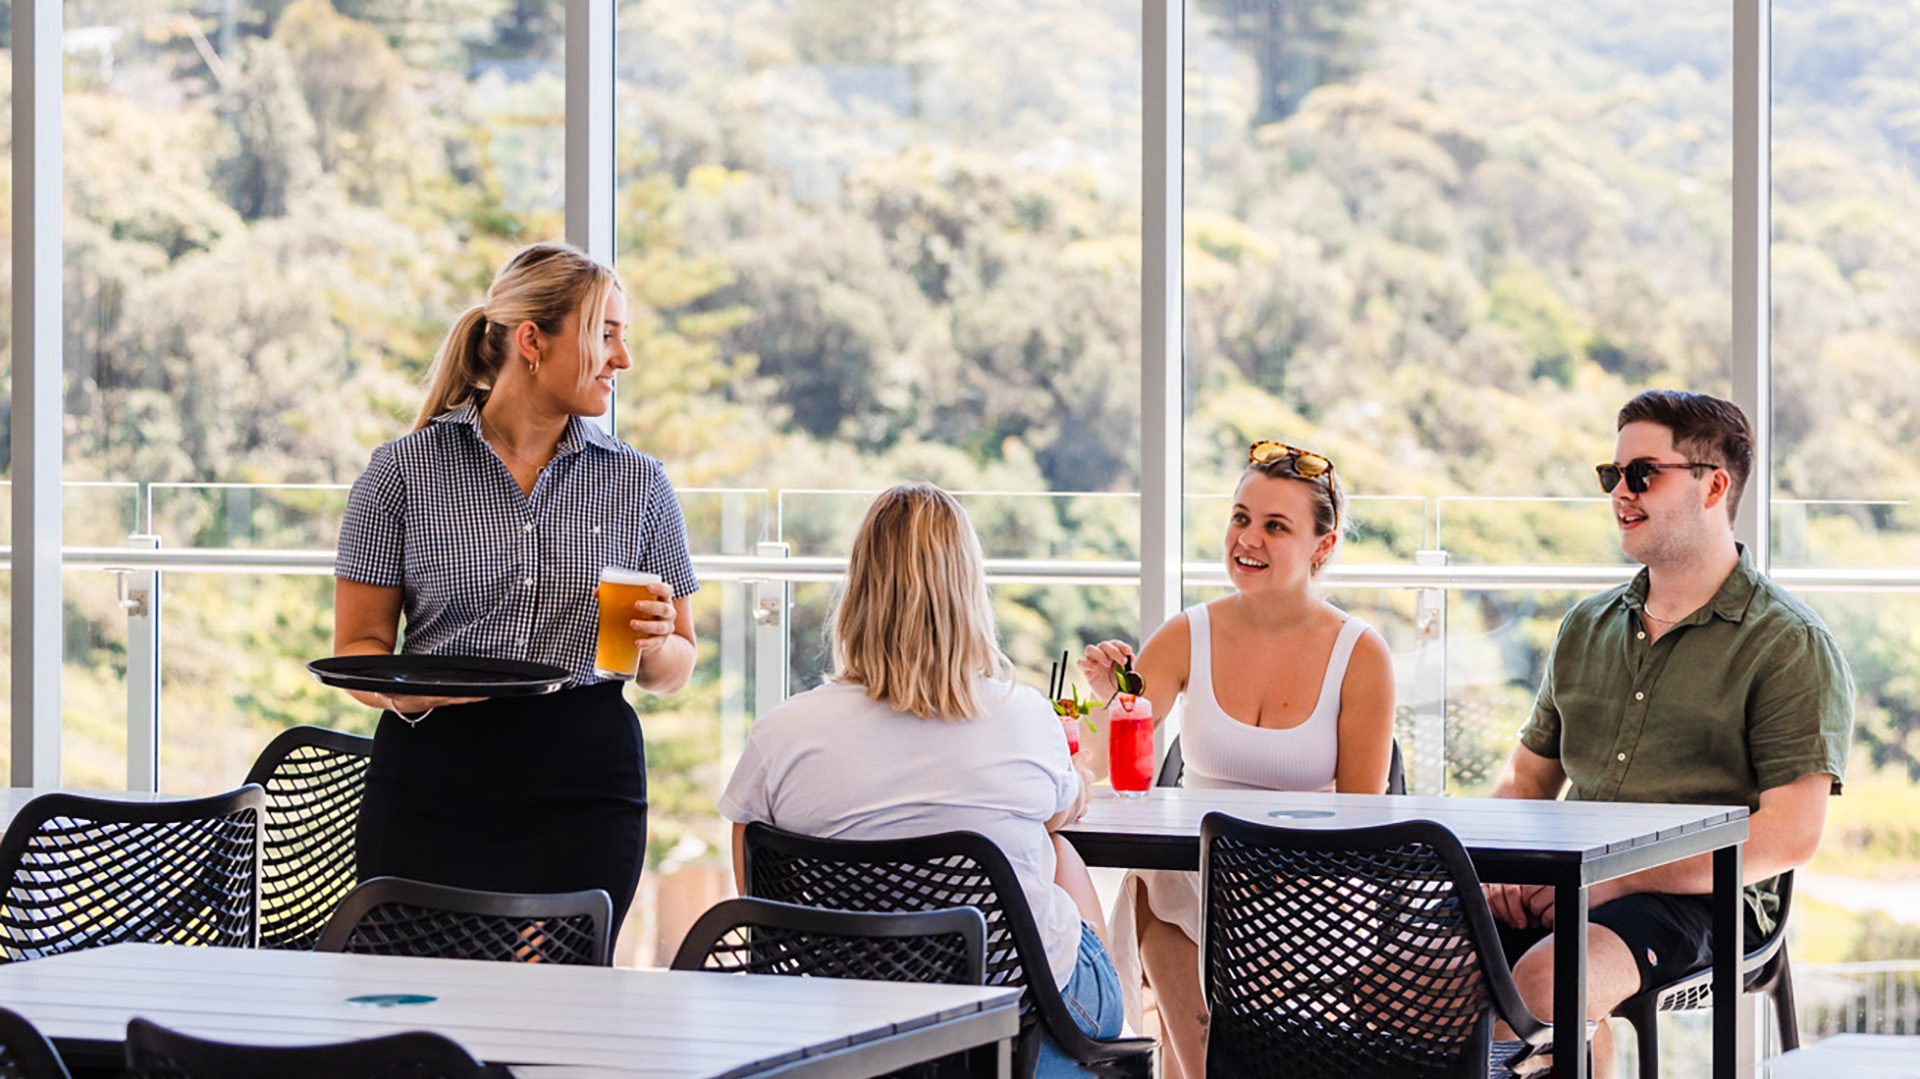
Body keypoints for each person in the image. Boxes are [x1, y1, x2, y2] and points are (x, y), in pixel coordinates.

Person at [1488, 390, 1854, 1077]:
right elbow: (1526, 779)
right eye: (1612, 475)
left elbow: (1790, 834)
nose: (1620, 493)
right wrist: (1508, 866)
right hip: (1570, 882)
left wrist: (1612, 879)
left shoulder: (1788, 642)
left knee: (1544, 985)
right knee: (1397, 978)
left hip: (1705, 900)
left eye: (1642, 473)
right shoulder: (1585, 627)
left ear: (1714, 484)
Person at [333, 241, 699, 929]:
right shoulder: (400, 473)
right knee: (417, 992)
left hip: (586, 779)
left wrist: (653, 647)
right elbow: (357, 648)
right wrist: (422, 692)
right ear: (532, 340)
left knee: (565, 1006)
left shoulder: (639, 483)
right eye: (606, 334)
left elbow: (677, 665)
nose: (623, 358)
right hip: (433, 771)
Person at [718, 483, 1122, 1077]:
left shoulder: (782, 736)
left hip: (853, 1018)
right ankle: (1086, 1060)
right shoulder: (1022, 714)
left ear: (857, 591)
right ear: (969, 594)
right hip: (1014, 1008)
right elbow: (1061, 813)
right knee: (1057, 851)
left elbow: (759, 897)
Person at [1077, 440, 1397, 1079]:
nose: (1247, 538)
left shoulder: (1361, 655)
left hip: (1313, 891)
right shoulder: (1185, 634)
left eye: (1276, 526)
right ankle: (1204, 1071)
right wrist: (1107, 702)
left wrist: (1273, 875)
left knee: (1161, 887)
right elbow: (1108, 767)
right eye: (1240, 517)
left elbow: (1366, 825)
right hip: (1197, 882)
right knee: (1151, 880)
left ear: (1322, 546)